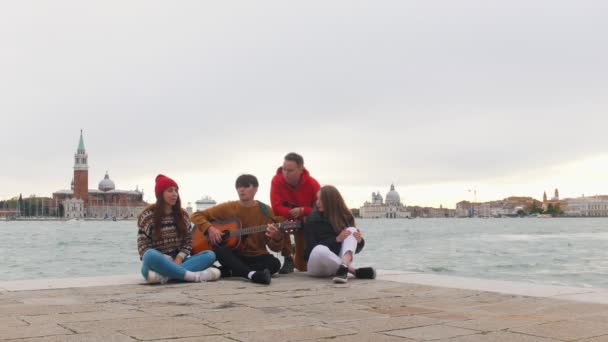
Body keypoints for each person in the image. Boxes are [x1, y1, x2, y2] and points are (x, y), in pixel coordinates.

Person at [191, 174, 284, 285]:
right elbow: (195, 215)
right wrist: (210, 228)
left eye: (246, 186)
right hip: (235, 255)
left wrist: (277, 238)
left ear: (255, 189)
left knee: (275, 263)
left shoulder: (266, 211)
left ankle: (233, 271)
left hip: (257, 255)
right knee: (219, 249)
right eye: (238, 187)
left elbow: (274, 248)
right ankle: (252, 274)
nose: (241, 190)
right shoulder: (228, 207)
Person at [137, 174, 220, 284]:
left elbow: (188, 242)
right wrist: (165, 258)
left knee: (210, 255)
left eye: (176, 191)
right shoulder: (147, 216)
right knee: (149, 255)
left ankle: (165, 277)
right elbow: (143, 248)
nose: (174, 194)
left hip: (179, 261)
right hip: (158, 262)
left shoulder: (183, 215)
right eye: (170, 191)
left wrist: (179, 258)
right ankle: (193, 276)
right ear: (161, 194)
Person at [303, 185, 376, 283]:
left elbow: (354, 250)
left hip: (336, 266)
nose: (317, 202)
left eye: (321, 199)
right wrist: (336, 239)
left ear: (331, 201)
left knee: (352, 230)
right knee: (319, 249)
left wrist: (359, 241)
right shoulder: (312, 220)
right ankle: (353, 271)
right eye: (317, 199)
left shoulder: (346, 217)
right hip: (317, 267)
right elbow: (309, 251)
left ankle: (343, 267)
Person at [270, 152, 320, 273]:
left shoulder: (313, 184)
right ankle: (288, 257)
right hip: (287, 219)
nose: (286, 173)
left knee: (302, 267)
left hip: (305, 222)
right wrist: (292, 213)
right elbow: (276, 207)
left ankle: (297, 253)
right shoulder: (276, 180)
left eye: (290, 170)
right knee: (279, 220)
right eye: (284, 169)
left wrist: (303, 211)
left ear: (300, 169)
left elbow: (320, 209)